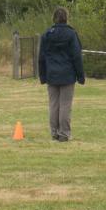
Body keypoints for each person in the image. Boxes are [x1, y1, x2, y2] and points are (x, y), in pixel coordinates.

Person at [39, 7, 85, 142]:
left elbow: (41, 57)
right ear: (66, 18)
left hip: (51, 74)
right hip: (67, 74)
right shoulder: (71, 34)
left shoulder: (47, 34)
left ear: (54, 18)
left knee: (53, 104)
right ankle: (64, 133)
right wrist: (80, 75)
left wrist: (43, 76)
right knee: (65, 104)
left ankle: (54, 133)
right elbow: (77, 56)